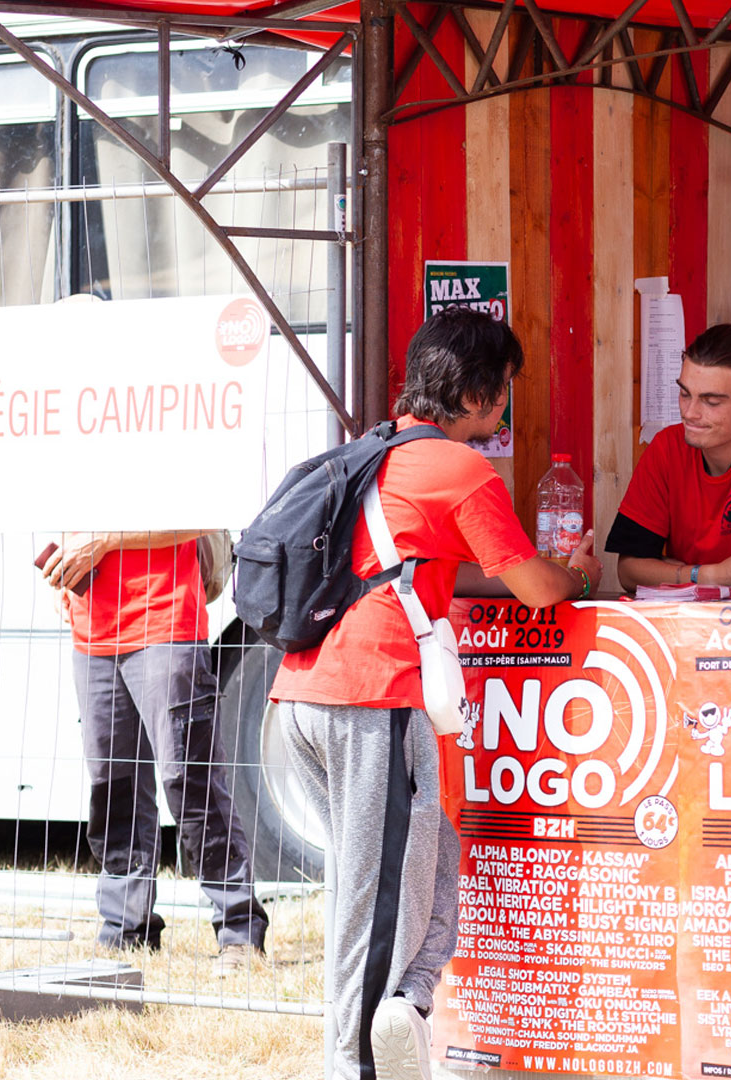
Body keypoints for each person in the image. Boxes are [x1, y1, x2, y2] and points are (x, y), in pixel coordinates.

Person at [270, 307, 605, 1080]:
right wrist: (580, 571)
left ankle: (406, 1009)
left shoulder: (370, 455)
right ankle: (353, 1066)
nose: (505, 409)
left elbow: (456, 567)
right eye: (506, 392)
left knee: (432, 866)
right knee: (374, 907)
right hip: (375, 701)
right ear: (484, 394)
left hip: (302, 698)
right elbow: (536, 589)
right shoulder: (461, 470)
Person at [41, 531, 269, 972]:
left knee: (190, 783)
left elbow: (196, 512)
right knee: (112, 789)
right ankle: (126, 930)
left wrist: (102, 543)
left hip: (164, 620)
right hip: (92, 630)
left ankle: (239, 932)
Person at [607, 323, 731, 591]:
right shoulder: (666, 446)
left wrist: (671, 571)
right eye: (685, 394)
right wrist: (708, 575)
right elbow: (628, 572)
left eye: (711, 401)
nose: (690, 413)